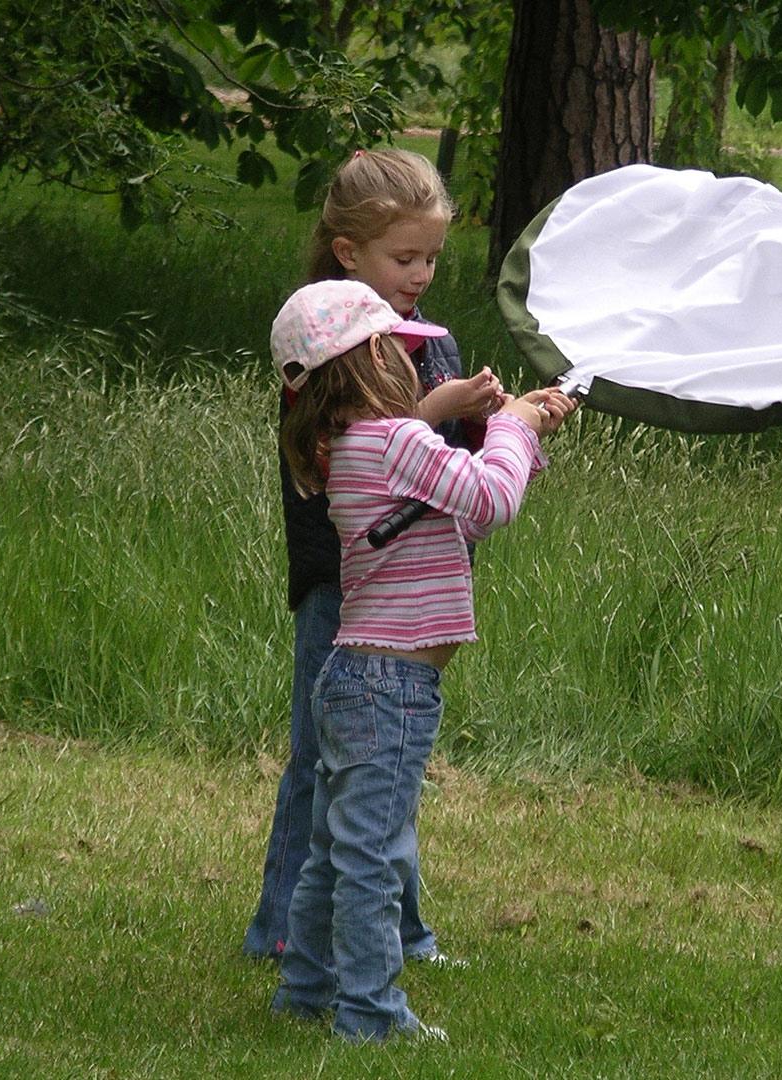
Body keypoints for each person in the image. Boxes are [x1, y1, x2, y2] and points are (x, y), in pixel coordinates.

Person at [268, 279, 574, 1042]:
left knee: (336, 849)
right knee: (369, 856)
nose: (419, 366)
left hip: (353, 679)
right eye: (405, 354)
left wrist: (520, 431)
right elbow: (490, 503)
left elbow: (455, 495)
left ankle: (305, 990)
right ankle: (371, 1014)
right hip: (392, 685)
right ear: (373, 360)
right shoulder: (397, 441)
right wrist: (513, 427)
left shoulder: (351, 445)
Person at [243, 148, 503, 963]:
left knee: (383, 767)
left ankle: (401, 930)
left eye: (430, 256)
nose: (421, 273)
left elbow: (445, 469)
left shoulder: (430, 340)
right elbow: (350, 446)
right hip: (343, 580)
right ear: (349, 253)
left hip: (412, 587)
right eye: (404, 257)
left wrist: (501, 428)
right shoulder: (324, 336)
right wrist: (437, 409)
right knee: (327, 761)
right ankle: (285, 931)